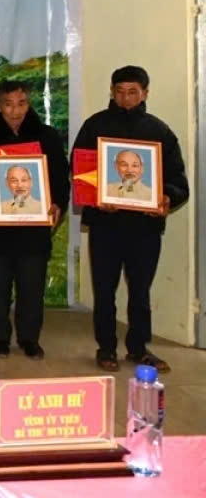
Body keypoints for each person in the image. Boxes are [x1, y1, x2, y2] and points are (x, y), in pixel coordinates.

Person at [72, 65, 188, 373]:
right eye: (119, 92)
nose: (125, 99)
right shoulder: (94, 126)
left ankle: (138, 349)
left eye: (132, 92)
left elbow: (179, 182)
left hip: (144, 228)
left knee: (140, 292)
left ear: (145, 93)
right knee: (104, 289)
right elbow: (79, 171)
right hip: (105, 226)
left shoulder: (159, 132)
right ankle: (106, 348)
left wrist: (166, 198)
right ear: (111, 92)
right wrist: (98, 197)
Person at [0, 80, 69, 361]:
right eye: (9, 104)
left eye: (21, 103)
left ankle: (29, 339)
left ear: (29, 104)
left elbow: (59, 178)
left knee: (32, 288)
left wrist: (57, 203)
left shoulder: (47, 137)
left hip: (34, 229)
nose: (15, 110)